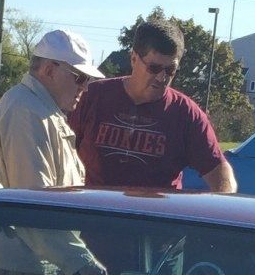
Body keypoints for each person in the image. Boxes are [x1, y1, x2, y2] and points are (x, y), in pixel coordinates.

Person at [0, 28, 110, 275]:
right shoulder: (27, 112)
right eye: (79, 77)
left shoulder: (41, 110)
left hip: (32, 262)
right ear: (49, 69)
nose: (84, 88)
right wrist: (82, 263)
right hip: (18, 265)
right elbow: (33, 205)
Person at [71, 17, 234, 192]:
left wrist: (223, 200)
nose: (162, 77)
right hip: (95, 212)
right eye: (154, 68)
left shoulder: (186, 114)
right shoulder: (91, 96)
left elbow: (220, 172)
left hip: (153, 215)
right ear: (133, 58)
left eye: (170, 70)